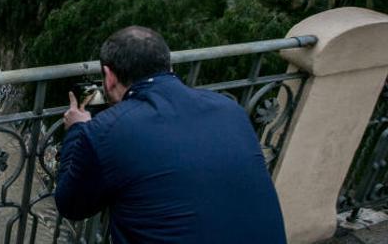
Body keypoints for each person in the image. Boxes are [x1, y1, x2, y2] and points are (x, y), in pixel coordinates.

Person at [55, 26, 287, 243]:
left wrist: (77, 129)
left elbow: (71, 205)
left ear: (108, 76)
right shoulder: (229, 109)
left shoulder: (106, 130)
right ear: (169, 66)